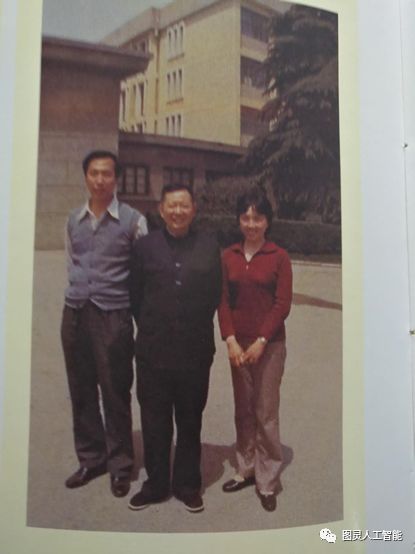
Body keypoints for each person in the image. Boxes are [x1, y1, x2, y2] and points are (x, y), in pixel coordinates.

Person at [128, 183, 221, 513]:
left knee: (190, 421)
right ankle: (155, 485)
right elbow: (135, 296)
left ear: (193, 209)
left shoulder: (209, 247)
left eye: (184, 205)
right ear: (161, 209)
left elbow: (214, 295)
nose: (178, 211)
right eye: (172, 205)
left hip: (194, 353)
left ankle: (187, 485)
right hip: (153, 353)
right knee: (154, 422)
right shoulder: (144, 248)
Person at [61, 150, 147, 498]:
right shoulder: (73, 219)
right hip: (75, 313)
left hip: (113, 315)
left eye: (106, 174)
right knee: (81, 390)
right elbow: (72, 260)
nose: (99, 180)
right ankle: (91, 458)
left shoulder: (133, 220)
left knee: (115, 391)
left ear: (116, 178)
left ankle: (120, 465)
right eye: (94, 173)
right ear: (86, 177)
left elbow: (142, 271)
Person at [218, 188, 292, 512]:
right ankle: (246, 467)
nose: (251, 224)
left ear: (267, 221)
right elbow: (222, 300)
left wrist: (262, 340)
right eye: (245, 218)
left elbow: (282, 304)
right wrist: (230, 339)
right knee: (243, 410)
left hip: (269, 345)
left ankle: (267, 479)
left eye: (257, 218)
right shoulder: (228, 255)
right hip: (239, 344)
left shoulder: (279, 257)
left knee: (265, 412)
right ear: (239, 220)